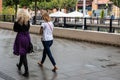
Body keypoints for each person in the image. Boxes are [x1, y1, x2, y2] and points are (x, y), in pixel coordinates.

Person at [13, 9, 31, 77]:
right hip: (27, 37)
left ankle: (26, 72)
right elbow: (28, 29)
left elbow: (15, 30)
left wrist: (19, 29)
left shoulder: (17, 21)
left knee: (23, 55)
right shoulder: (27, 21)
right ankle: (19, 65)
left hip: (20, 38)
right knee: (23, 52)